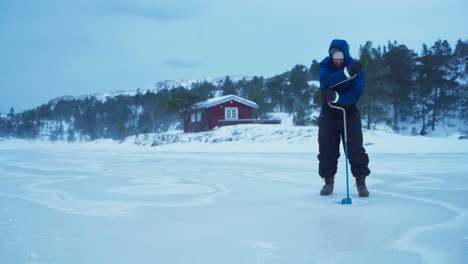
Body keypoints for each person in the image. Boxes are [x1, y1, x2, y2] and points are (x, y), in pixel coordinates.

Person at [317, 39, 370, 197]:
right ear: (331, 56)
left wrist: (337, 97)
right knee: (327, 149)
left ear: (345, 55)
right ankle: (328, 182)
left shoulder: (356, 67)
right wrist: (347, 73)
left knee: (355, 149)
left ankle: (361, 182)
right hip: (328, 113)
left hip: (349, 112)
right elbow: (325, 80)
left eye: (340, 57)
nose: (338, 61)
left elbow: (355, 95)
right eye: (335, 57)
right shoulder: (324, 65)